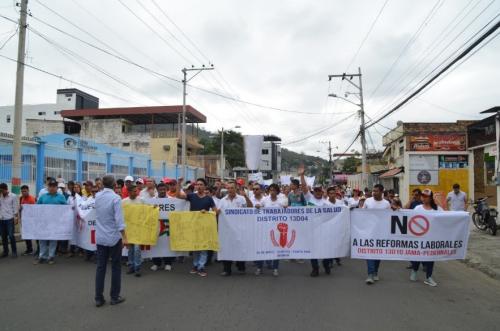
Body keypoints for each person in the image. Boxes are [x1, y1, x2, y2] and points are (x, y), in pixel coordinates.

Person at [94, 175, 126, 307]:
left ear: (102, 184)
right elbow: (119, 220)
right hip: (113, 237)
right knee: (115, 267)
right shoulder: (116, 198)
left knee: (100, 268)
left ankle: (98, 298)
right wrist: (125, 237)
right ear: (114, 185)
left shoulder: (97, 197)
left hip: (101, 237)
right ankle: (114, 297)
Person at [176, 177, 216, 277]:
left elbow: (216, 211)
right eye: (197, 184)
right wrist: (178, 183)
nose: (199, 186)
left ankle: (201, 267)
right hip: (193, 226)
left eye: (201, 184)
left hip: (205, 227)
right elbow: (178, 196)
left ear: (205, 186)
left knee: (203, 247)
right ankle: (195, 265)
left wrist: (207, 212)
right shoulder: (191, 196)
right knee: (195, 247)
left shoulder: (209, 198)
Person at [218, 181, 253, 276]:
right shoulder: (222, 200)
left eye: (232, 188)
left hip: (240, 229)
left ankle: (241, 267)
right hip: (227, 230)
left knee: (240, 248)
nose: (230, 190)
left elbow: (250, 208)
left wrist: (246, 196)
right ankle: (226, 269)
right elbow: (217, 213)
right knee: (226, 248)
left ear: (235, 188)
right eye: (228, 188)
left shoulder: (241, 199)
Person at [411, 189, 442, 287]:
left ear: (430, 198)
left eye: (426, 196)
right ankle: (414, 270)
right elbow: (409, 219)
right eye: (422, 196)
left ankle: (429, 277)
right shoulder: (417, 208)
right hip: (419, 237)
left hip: (432, 238)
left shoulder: (437, 208)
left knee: (430, 258)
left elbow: (446, 216)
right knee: (418, 256)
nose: (423, 198)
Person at [255, 183, 287, 276]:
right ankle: (259, 267)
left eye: (274, 190)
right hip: (265, 228)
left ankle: (275, 268)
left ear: (277, 192)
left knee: (276, 248)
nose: (272, 192)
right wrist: (258, 206)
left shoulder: (281, 201)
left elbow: (286, 208)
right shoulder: (265, 200)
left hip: (277, 230)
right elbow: (259, 206)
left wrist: (286, 208)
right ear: (268, 191)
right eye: (270, 190)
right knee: (262, 247)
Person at [363, 184, 391, 285]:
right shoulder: (368, 201)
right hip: (369, 232)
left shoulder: (386, 203)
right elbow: (361, 213)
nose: (374, 193)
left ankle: (375, 271)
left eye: (376, 191)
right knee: (369, 252)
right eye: (373, 191)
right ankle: (370, 274)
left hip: (381, 232)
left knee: (378, 253)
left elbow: (390, 217)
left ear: (382, 192)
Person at [35, 180, 67, 264]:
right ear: (48, 187)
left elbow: (66, 209)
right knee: (42, 239)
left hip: (55, 223)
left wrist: (71, 209)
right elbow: (36, 208)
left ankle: (51, 256)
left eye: (54, 186)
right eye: (50, 186)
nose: (52, 188)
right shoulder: (43, 197)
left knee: (53, 240)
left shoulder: (61, 197)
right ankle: (42, 256)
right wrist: (26, 209)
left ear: (57, 188)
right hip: (44, 222)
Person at [150, 182, 176, 272]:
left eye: (164, 189)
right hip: (156, 225)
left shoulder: (172, 200)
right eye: (160, 190)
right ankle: (156, 263)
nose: (162, 191)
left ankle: (168, 263)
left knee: (167, 244)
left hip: (167, 225)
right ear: (157, 190)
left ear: (166, 189)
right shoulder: (152, 200)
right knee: (156, 244)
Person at [122, 185, 144, 277]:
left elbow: (147, 210)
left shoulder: (141, 200)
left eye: (137, 191)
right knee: (130, 249)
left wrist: (154, 208)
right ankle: (131, 266)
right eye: (134, 191)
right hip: (128, 228)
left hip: (138, 228)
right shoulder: (123, 202)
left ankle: (137, 268)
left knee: (137, 249)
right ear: (129, 192)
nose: (137, 193)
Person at [0, 183, 19, 258]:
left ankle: (14, 252)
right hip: (1, 219)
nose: (1, 192)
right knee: (3, 236)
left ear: (6, 189)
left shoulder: (13, 196)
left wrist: (16, 218)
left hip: (9, 219)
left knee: (11, 236)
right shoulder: (0, 196)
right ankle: (5, 251)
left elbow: (15, 208)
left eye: (2, 190)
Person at [19, 185, 37, 256]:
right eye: (22, 191)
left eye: (25, 191)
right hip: (24, 220)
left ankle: (38, 249)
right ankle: (29, 249)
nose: (23, 193)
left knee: (35, 235)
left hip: (32, 220)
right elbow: (20, 209)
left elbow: (35, 210)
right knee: (26, 235)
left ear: (28, 191)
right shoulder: (21, 198)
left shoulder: (32, 199)